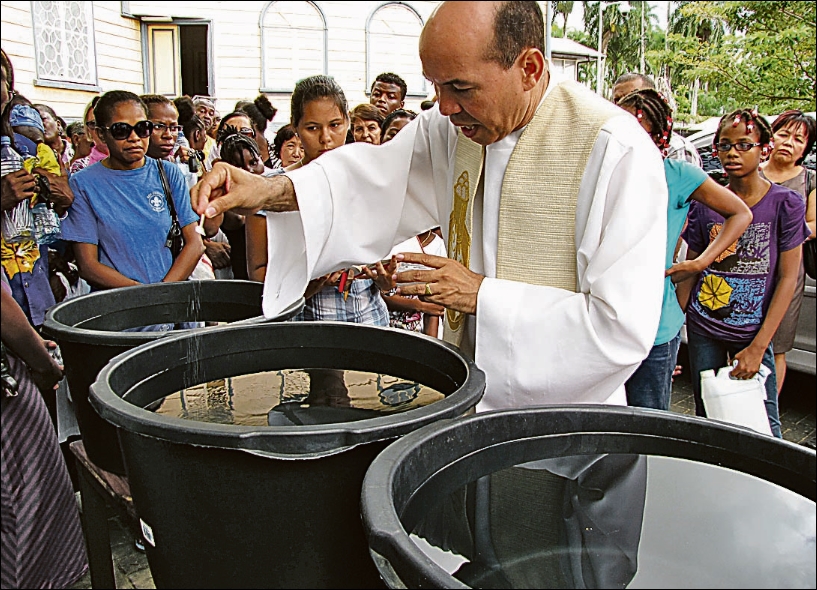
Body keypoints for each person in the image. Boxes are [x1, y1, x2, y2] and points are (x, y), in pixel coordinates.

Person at [193, 1, 668, 412]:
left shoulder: (612, 150)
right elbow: (370, 182)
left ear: (529, 68)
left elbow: (620, 327)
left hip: (565, 432)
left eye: (460, 87)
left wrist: (481, 296)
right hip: (466, 400)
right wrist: (265, 190)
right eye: (434, 86)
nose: (442, 107)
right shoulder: (453, 130)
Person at [616, 89, 752, 410]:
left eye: (634, 132)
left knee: (647, 421)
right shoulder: (601, 175)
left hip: (657, 328)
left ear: (659, 136)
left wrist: (700, 261)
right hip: (606, 320)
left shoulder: (678, 176)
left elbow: (740, 213)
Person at [677, 109, 810, 438]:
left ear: (763, 148)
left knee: (763, 425)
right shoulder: (706, 201)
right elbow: (693, 267)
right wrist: (672, 330)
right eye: (724, 145)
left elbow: (788, 278)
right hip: (704, 325)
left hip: (752, 332)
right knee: (708, 414)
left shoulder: (785, 203)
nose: (732, 153)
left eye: (743, 145)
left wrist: (759, 345)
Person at [61, 91, 203, 296]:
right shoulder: (83, 184)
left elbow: (194, 244)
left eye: (142, 128)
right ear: (101, 134)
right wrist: (143, 296)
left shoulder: (168, 173)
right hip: (121, 311)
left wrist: (164, 293)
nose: (134, 138)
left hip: (173, 306)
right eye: (121, 130)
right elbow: (88, 265)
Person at [759, 110, 816, 393]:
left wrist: (776, 231)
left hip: (788, 272)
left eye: (798, 139)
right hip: (748, 269)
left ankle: (768, 412)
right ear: (771, 136)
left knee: (777, 347)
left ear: (805, 148)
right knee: (739, 339)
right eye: (783, 134)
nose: (788, 143)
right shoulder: (751, 171)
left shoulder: (810, 180)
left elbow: (814, 224)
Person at [612, 73, 702, 168]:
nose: (623, 103)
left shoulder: (677, 149)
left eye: (632, 96)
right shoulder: (614, 144)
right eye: (617, 99)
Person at [69, 97, 107, 175]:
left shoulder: (135, 160)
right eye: (94, 124)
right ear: (88, 129)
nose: (100, 130)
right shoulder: (81, 167)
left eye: (106, 122)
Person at [237, 95, 277, 168]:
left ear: (254, 125)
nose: (238, 134)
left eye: (243, 129)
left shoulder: (277, 150)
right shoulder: (238, 153)